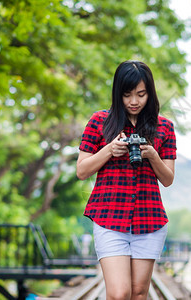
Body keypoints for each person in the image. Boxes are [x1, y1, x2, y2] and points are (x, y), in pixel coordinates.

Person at [76, 60, 177, 300]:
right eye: (127, 94)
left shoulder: (165, 127)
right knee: (120, 293)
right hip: (109, 217)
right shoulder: (100, 122)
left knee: (139, 292)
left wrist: (152, 155)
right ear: (117, 93)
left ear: (149, 93)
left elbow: (168, 179)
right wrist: (109, 150)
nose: (134, 101)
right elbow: (82, 170)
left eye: (141, 94)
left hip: (149, 218)